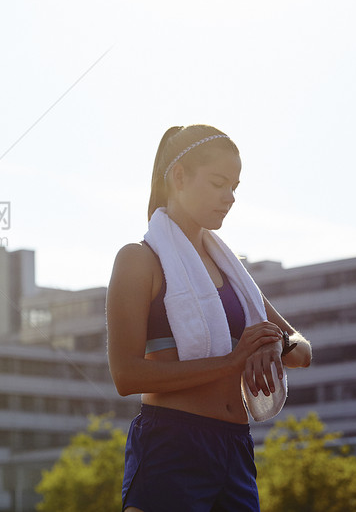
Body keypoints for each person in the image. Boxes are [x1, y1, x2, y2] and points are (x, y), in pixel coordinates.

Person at [106, 125, 312, 512]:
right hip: (172, 445)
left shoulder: (234, 275)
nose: (230, 197)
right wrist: (233, 362)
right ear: (179, 176)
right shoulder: (140, 260)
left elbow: (301, 350)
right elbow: (126, 375)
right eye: (219, 183)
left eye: (235, 186)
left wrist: (275, 343)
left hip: (235, 446)